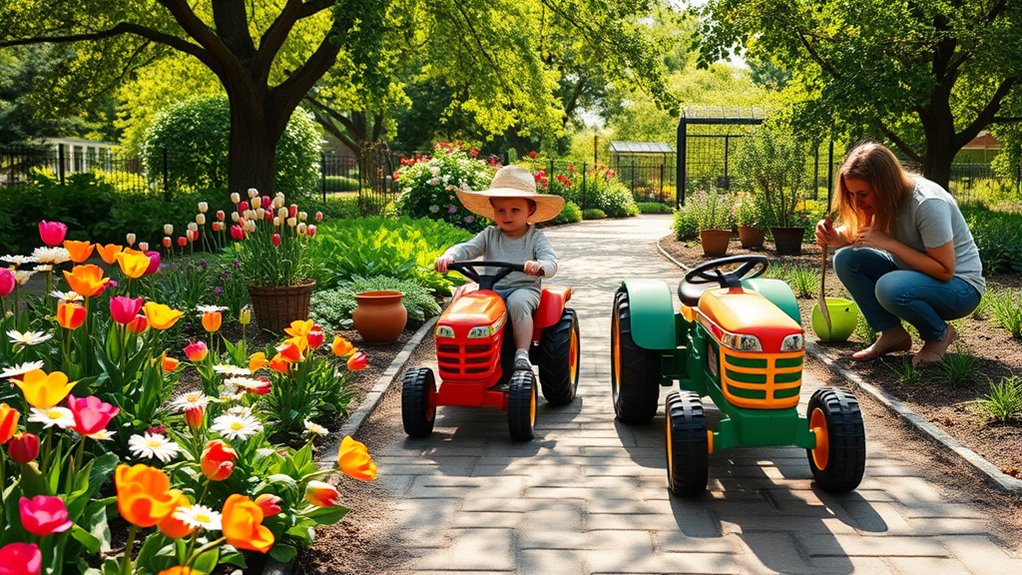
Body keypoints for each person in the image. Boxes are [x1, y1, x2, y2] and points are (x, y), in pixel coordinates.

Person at [816, 142, 984, 365]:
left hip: (960, 287)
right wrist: (833, 236)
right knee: (847, 259)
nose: (856, 202)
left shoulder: (927, 203)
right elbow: (855, 230)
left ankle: (939, 335)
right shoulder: (884, 199)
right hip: (913, 274)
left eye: (862, 194)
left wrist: (888, 243)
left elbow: (944, 270)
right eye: (851, 194)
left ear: (884, 186)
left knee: (889, 286)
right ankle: (892, 334)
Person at [435, 165, 564, 371]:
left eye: (515, 210)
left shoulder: (535, 238)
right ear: (493, 210)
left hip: (524, 289)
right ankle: (465, 359)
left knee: (518, 302)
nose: (507, 216)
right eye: (500, 210)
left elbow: (551, 263)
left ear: (530, 210)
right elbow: (467, 249)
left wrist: (538, 266)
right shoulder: (489, 235)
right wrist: (449, 256)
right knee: (465, 302)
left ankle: (522, 354)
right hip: (491, 291)